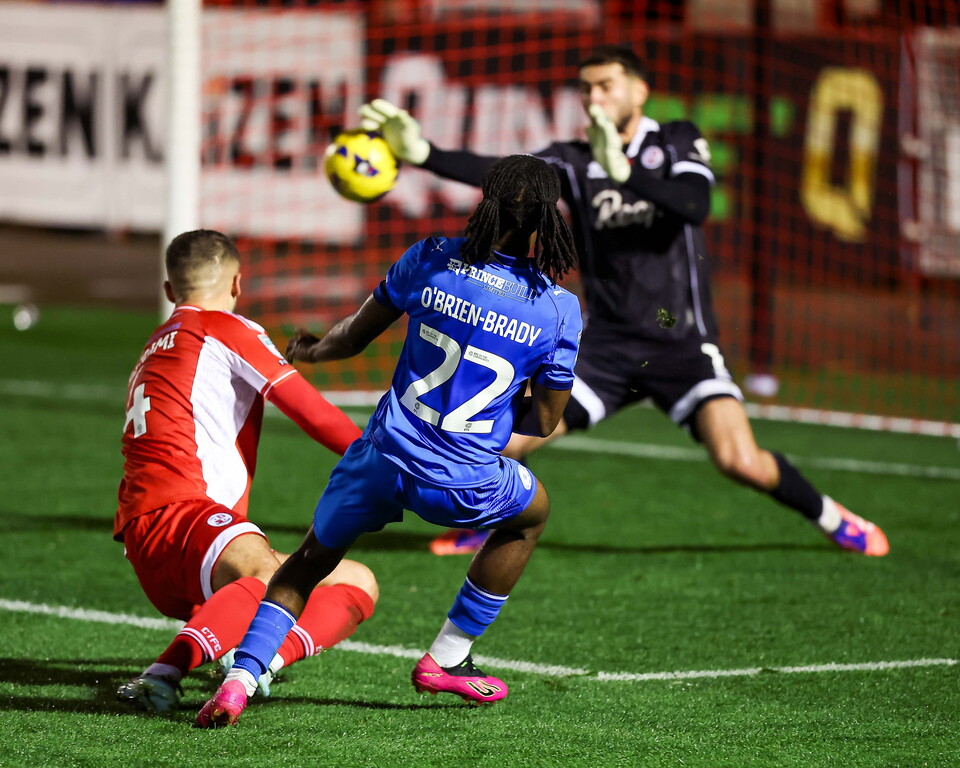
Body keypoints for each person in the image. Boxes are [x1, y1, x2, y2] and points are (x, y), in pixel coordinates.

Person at [358, 44, 889, 559]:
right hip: (609, 346)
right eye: (586, 88)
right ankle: (490, 520)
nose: (594, 97)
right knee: (509, 440)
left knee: (740, 460)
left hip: (680, 341)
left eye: (606, 85)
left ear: (640, 90)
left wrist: (626, 172)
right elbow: (502, 171)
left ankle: (834, 518)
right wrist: (423, 153)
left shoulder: (677, 141)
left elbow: (694, 204)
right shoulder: (573, 159)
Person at [194, 154, 582, 727]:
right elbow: (544, 422)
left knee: (306, 563)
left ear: (485, 201)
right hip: (462, 481)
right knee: (531, 514)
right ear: (547, 221)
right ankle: (446, 658)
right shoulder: (557, 309)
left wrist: (313, 350)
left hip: (382, 457)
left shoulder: (431, 257)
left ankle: (240, 680)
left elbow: (353, 338)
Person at [115, 229, 379, 714]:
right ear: (238, 282)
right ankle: (162, 673)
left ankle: (261, 661)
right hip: (187, 514)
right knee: (263, 570)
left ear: (170, 291)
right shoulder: (224, 328)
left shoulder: (155, 345)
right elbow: (313, 412)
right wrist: (380, 459)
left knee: (357, 580)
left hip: (148, 540)